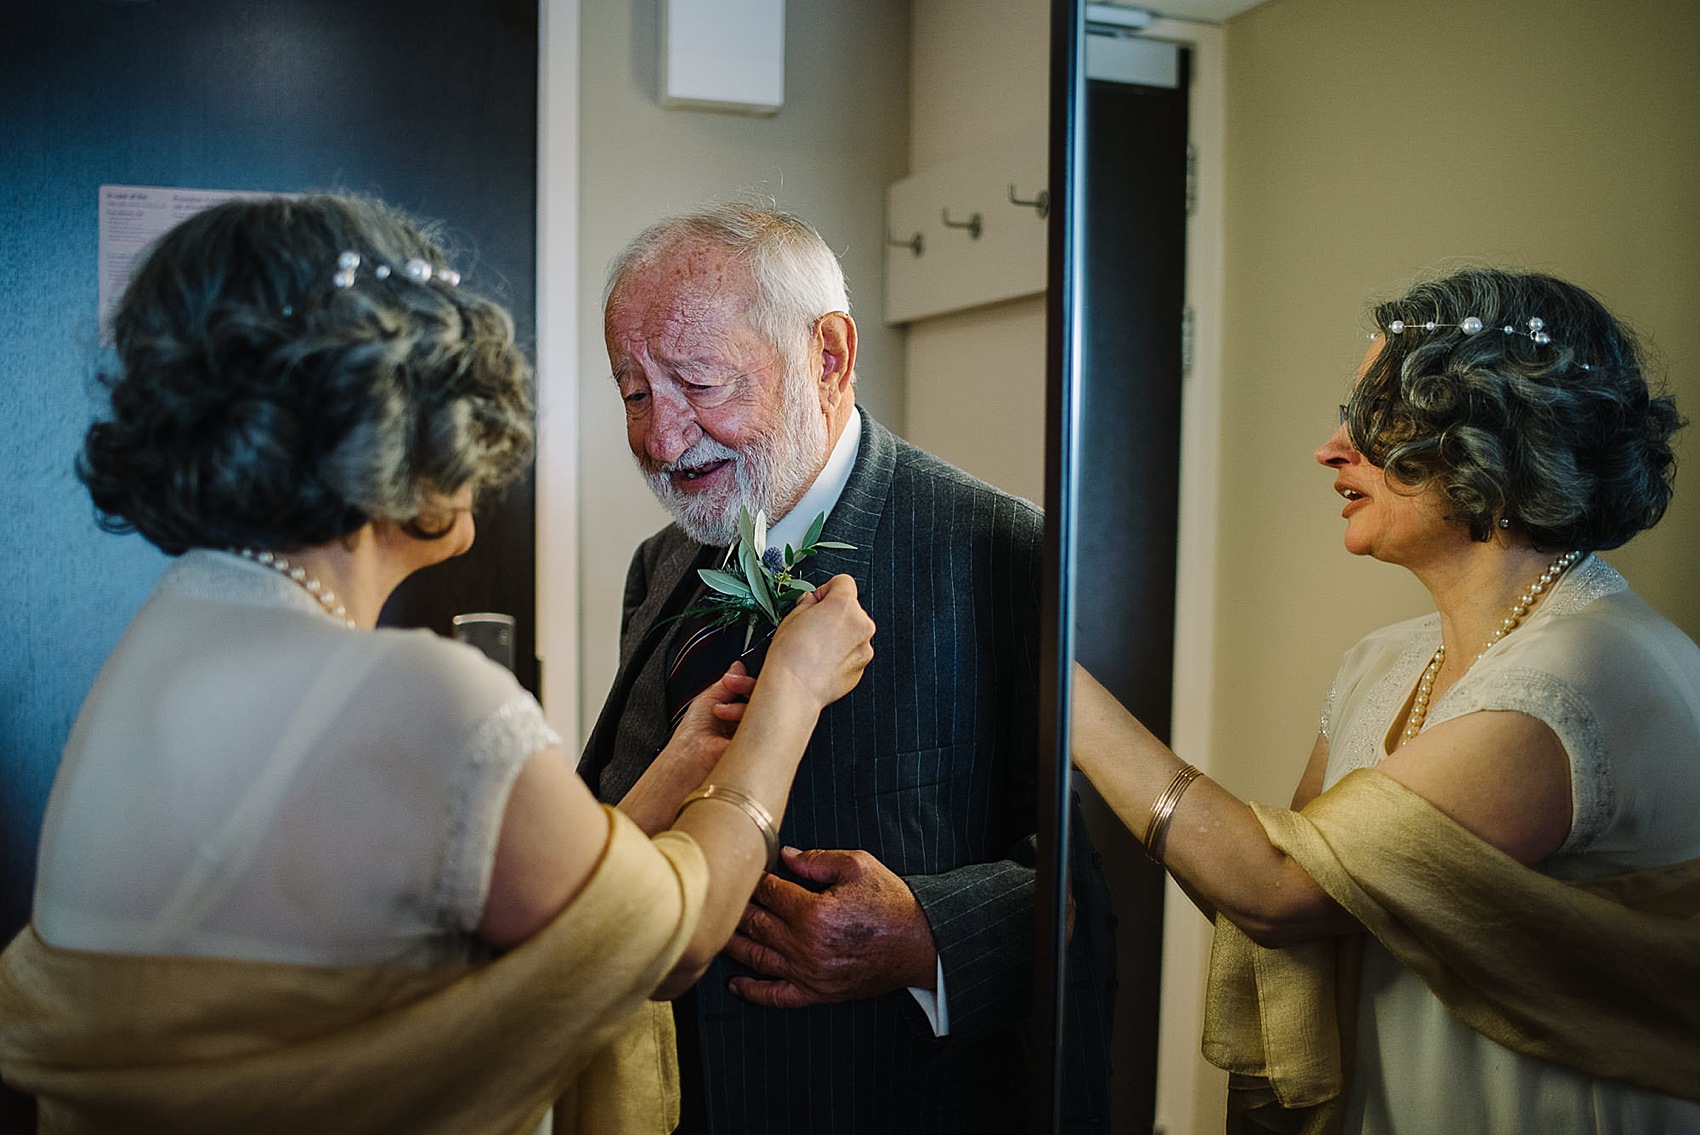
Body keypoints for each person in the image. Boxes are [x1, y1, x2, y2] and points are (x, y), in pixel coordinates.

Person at [0, 193, 875, 1135]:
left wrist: (668, 779)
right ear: (378, 424)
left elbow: (461, 890)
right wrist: (790, 690)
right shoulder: (413, 698)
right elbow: (675, 939)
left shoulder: (160, 650)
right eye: (457, 394)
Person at [1070, 267, 1700, 1134]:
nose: (1331, 449)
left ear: (1494, 437)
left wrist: (1058, 688)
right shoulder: (1384, 661)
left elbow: (1280, 884)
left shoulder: (1585, 672)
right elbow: (1291, 911)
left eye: (1374, 421)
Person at [580, 202, 1111, 1133]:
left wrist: (922, 935)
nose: (662, 441)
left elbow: (1081, 895)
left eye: (699, 382)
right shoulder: (659, 566)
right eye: (634, 393)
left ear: (827, 356)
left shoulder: (1002, 554)